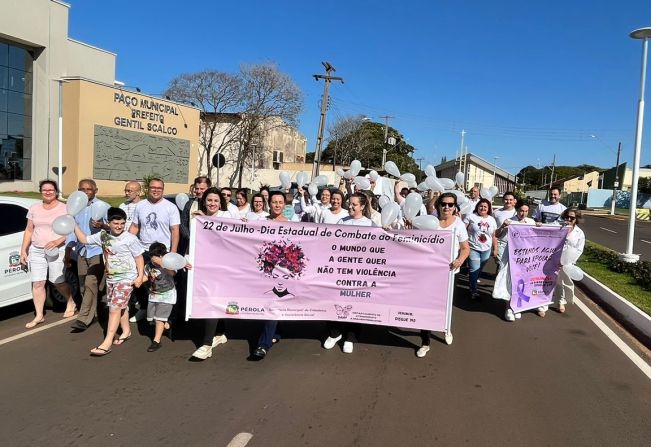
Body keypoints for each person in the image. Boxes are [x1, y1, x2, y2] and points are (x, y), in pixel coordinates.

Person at [73, 207, 144, 356]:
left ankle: (107, 342)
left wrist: (139, 276)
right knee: (119, 306)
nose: (119, 226)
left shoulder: (130, 238)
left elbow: (139, 257)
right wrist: (73, 224)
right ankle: (126, 331)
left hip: (126, 279)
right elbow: (84, 239)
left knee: (114, 310)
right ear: (109, 222)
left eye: (122, 223)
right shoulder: (103, 236)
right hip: (111, 278)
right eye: (116, 223)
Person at [323, 192, 375, 354]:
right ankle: (335, 333)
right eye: (350, 204)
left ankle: (350, 338)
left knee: (355, 305)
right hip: (340, 271)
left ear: (363, 206)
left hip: (360, 273)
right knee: (333, 302)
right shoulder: (342, 221)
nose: (350, 207)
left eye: (354, 204)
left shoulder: (370, 224)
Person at [418, 192, 470, 357]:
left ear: (455, 207)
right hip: (429, 272)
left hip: (449, 273)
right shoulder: (431, 221)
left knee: (445, 305)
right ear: (438, 205)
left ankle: (446, 328)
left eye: (450, 204)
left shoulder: (459, 225)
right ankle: (425, 341)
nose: (446, 207)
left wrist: (459, 260)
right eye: (444, 204)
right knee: (426, 306)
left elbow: (465, 248)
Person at [20, 180, 75, 328]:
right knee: (38, 283)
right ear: (40, 191)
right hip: (37, 249)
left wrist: (58, 241)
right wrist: (23, 250)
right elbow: (29, 230)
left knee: (57, 281)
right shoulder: (34, 208)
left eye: (51, 190)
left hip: (57, 249)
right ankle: (39, 315)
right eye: (44, 190)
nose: (48, 192)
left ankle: (70, 301)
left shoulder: (64, 208)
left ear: (56, 192)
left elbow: (71, 230)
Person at [190, 188, 234, 359]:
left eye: (216, 200)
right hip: (204, 267)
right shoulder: (198, 219)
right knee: (213, 300)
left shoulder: (227, 217)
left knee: (213, 301)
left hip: (223, 268)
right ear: (204, 201)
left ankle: (206, 345)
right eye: (209, 200)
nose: (212, 203)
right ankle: (220, 334)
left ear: (220, 203)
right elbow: (194, 242)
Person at [129, 178, 180, 322]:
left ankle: (167, 317)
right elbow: (135, 227)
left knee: (163, 283)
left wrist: (173, 253)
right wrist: (124, 243)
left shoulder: (170, 207)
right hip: (143, 249)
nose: (156, 190)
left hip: (162, 251)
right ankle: (144, 309)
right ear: (148, 189)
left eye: (159, 188)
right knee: (140, 280)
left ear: (163, 190)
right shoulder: (140, 206)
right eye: (153, 187)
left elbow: (175, 231)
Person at [252, 191, 291, 360]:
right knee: (272, 306)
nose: (277, 205)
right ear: (269, 204)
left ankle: (263, 345)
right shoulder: (260, 222)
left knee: (273, 305)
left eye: (280, 202)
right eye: (274, 202)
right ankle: (277, 333)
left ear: (284, 205)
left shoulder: (292, 224)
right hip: (264, 268)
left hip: (282, 271)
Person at [68, 179, 109, 332]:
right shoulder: (76, 207)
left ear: (95, 190)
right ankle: (98, 312)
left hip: (97, 250)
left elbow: (115, 227)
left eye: (88, 189)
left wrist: (102, 226)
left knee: (91, 283)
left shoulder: (103, 206)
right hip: (81, 251)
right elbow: (72, 230)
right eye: (82, 189)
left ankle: (83, 319)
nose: (85, 192)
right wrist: (68, 250)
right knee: (83, 285)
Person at [493, 199, 536, 321]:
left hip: (525, 257)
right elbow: (497, 235)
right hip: (510, 255)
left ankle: (517, 306)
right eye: (521, 210)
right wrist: (503, 226)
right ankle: (508, 307)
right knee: (510, 280)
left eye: (526, 211)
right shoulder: (510, 221)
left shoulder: (531, 221)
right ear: (517, 210)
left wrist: (538, 227)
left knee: (522, 281)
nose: (523, 213)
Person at [142, 242, 178, 352]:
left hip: (167, 294)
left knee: (158, 319)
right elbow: (145, 277)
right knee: (151, 318)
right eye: (152, 257)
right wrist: (136, 281)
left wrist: (163, 264)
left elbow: (173, 273)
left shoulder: (169, 264)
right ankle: (166, 324)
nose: (154, 259)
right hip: (154, 294)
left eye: (157, 256)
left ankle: (156, 341)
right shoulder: (148, 266)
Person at [465, 198, 498, 299]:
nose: (483, 208)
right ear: (477, 207)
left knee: (480, 268)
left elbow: (493, 235)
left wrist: (495, 248)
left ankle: (473, 280)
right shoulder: (471, 217)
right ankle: (473, 290)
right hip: (473, 247)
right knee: (474, 269)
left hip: (486, 249)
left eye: (485, 207)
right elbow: (463, 230)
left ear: (488, 209)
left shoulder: (492, 220)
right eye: (481, 206)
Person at [553, 208, 585, 314]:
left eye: (572, 218)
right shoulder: (558, 226)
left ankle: (563, 301)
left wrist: (570, 261)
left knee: (564, 281)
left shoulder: (579, 233)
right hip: (554, 258)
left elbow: (579, 249)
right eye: (567, 217)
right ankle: (554, 302)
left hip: (567, 261)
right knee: (555, 281)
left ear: (576, 219)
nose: (569, 219)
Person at [180, 176, 211, 255]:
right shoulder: (190, 204)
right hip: (191, 244)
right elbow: (183, 224)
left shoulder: (216, 205)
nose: (199, 191)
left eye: (202, 189)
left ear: (208, 188)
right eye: (197, 188)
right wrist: (191, 238)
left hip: (210, 244)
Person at [492, 191, 517, 268]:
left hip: (514, 244)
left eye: (510, 199)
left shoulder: (517, 213)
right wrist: (494, 247)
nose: (508, 201)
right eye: (506, 199)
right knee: (501, 265)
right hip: (500, 242)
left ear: (514, 201)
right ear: (503, 200)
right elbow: (493, 230)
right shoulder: (496, 212)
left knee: (511, 266)